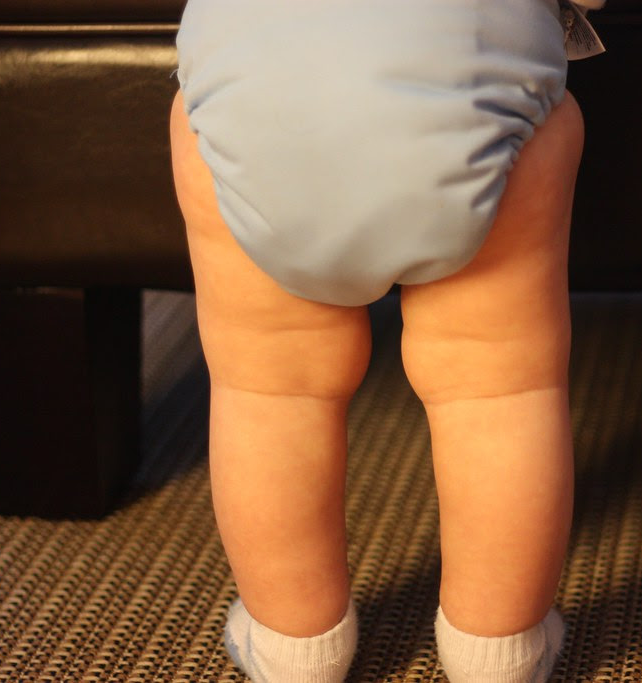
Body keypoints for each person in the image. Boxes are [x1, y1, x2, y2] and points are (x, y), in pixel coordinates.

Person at [169, 1, 603, 680]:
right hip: (477, 87)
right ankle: (498, 651)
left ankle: (293, 648)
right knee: (495, 390)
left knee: (270, 389)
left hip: (252, 98)